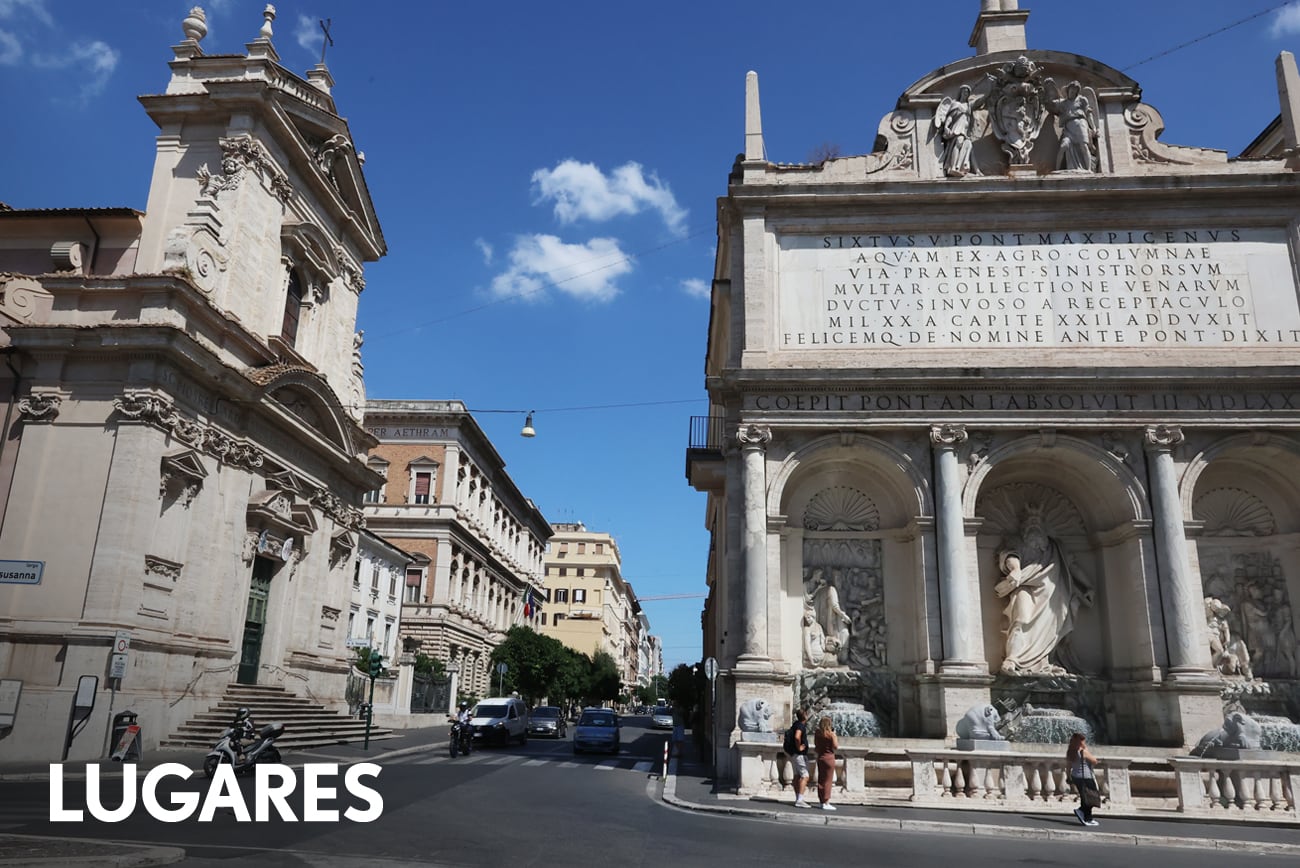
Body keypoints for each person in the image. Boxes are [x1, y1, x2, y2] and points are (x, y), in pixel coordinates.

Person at [995, 505, 1093, 675]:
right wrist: (1016, 570)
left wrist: (1088, 586)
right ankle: (1012, 659)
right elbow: (1010, 556)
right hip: (1025, 587)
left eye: (1037, 523)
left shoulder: (1056, 547)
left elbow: (1072, 566)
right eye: (1030, 523)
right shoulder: (1016, 541)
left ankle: (1042, 661)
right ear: (1024, 527)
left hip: (1054, 594)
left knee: (1052, 628)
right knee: (1020, 620)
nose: (1034, 526)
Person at [1045, 79, 1097, 172]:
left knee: (1084, 147)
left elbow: (1088, 114)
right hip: (1068, 128)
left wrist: (1094, 127)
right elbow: (1051, 103)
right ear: (1068, 90)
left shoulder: (1082, 100)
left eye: (1074, 91)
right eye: (1071, 91)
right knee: (1063, 147)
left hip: (1080, 125)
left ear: (1077, 92)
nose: (1072, 93)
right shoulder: (1063, 103)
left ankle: (1088, 169)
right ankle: (1057, 170)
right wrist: (1049, 86)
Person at [1066, 732, 1101, 827]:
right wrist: (1086, 749)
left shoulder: (1070, 752)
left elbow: (1068, 767)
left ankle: (1088, 818)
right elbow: (1095, 761)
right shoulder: (1083, 752)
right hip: (1086, 777)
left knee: (1085, 797)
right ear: (1080, 742)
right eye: (1083, 740)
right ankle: (1082, 811)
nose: (1085, 742)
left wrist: (1068, 777)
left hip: (1076, 776)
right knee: (1091, 797)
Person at [813, 715, 839, 811]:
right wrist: (834, 735)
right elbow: (835, 747)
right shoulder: (831, 735)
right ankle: (826, 802)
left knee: (821, 780)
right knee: (828, 781)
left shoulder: (817, 733)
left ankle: (821, 801)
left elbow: (816, 745)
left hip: (820, 758)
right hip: (829, 758)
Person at [790, 709, 812, 808]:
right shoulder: (800, 726)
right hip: (799, 755)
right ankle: (800, 800)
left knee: (797, 776)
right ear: (805, 716)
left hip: (794, 754)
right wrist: (799, 747)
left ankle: (797, 797)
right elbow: (797, 737)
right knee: (805, 776)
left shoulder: (795, 724)